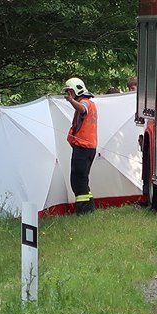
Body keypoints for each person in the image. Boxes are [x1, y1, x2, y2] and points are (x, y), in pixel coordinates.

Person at [64, 77, 98, 215]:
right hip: (89, 147)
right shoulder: (91, 103)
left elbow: (82, 109)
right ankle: (89, 208)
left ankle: (83, 210)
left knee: (78, 180)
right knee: (83, 179)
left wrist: (71, 101)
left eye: (69, 92)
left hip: (83, 147)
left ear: (75, 91)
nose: (68, 94)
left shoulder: (85, 103)